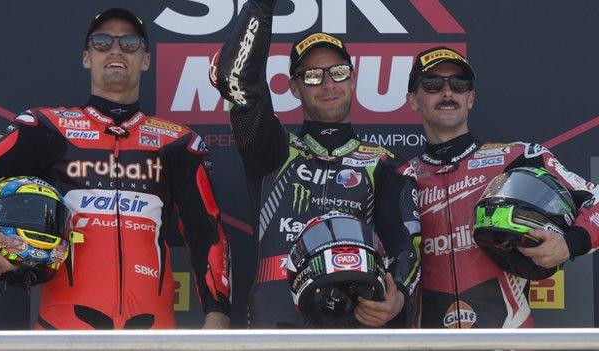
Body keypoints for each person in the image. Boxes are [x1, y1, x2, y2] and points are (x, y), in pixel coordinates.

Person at [0, 8, 231, 329]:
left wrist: (218, 313)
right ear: (86, 58)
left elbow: (206, 233)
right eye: (101, 42)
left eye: (129, 43)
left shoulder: (179, 143)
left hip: (154, 331)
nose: (115, 50)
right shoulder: (46, 127)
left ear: (146, 59)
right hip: (61, 329)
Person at [211, 0, 420, 328]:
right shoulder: (274, 151)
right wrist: (261, 7)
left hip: (355, 328)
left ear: (352, 79)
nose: (327, 84)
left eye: (337, 72)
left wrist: (400, 296)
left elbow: (407, 242)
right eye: (311, 76)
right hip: (276, 331)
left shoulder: (383, 164)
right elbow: (233, 79)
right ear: (294, 87)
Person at [403, 46, 599, 328]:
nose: (447, 93)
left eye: (458, 85)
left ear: (470, 98)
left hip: (510, 336)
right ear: (413, 100)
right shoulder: (399, 176)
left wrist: (570, 244)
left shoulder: (520, 157)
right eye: (433, 85)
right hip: (428, 341)